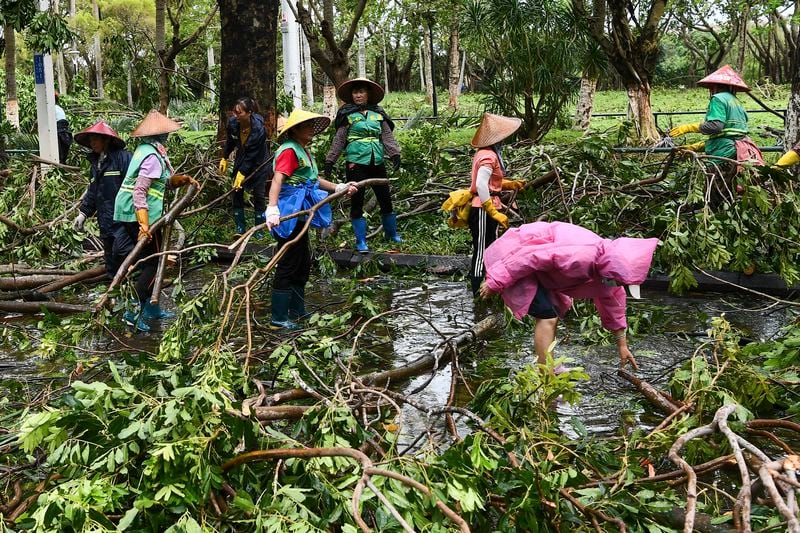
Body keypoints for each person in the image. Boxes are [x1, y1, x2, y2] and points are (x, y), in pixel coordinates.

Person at [479, 221, 659, 372]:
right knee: (547, 316)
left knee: (553, 313)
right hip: (516, 255)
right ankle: (545, 374)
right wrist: (495, 281)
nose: (619, 285)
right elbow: (530, 257)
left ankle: (550, 366)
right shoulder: (580, 255)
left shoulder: (610, 273)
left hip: (543, 273)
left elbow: (614, 305)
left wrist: (622, 345)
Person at [266, 109, 357, 329]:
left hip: (303, 209)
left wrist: (338, 187)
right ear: (295, 130)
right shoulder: (289, 151)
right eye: (307, 126)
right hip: (290, 210)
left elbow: (313, 180)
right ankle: (278, 317)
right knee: (289, 261)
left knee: (302, 261)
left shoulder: (303, 151)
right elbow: (277, 180)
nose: (311, 130)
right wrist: (272, 208)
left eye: (311, 126)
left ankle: (297, 310)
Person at [112, 111, 199, 332]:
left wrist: (183, 180)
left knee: (151, 261)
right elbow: (139, 192)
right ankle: (135, 311)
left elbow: (162, 184)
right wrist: (144, 225)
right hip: (139, 215)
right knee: (153, 264)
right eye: (166, 134)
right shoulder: (151, 156)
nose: (168, 137)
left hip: (134, 213)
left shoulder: (148, 151)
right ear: (160, 136)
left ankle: (150, 309)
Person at [324, 77, 402, 253]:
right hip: (356, 162)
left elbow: (387, 136)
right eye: (355, 92)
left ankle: (391, 234)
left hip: (377, 161)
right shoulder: (347, 115)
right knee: (357, 201)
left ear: (368, 94)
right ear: (351, 95)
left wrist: (395, 154)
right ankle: (361, 241)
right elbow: (339, 140)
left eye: (361, 92)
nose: (358, 95)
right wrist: (330, 160)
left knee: (385, 198)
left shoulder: (378, 114)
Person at [669, 65, 763, 203]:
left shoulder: (718, 99)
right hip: (738, 152)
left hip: (723, 157)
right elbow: (729, 135)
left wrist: (689, 127)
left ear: (713, 86)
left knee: (715, 196)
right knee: (730, 193)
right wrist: (694, 147)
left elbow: (716, 127)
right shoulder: (736, 102)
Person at [467, 113, 526, 295]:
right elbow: (480, 185)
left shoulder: (488, 153)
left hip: (488, 204)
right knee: (482, 249)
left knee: (491, 247)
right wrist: (492, 211)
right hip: (482, 208)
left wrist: (509, 183)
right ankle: (477, 290)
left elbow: (491, 181)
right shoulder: (488, 156)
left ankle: (489, 286)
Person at [72, 121, 132, 278]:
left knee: (123, 252)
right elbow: (93, 191)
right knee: (110, 259)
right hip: (105, 220)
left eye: (95, 139)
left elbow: (134, 187)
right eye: (90, 140)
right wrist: (83, 214)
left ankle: (136, 288)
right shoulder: (96, 163)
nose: (92, 143)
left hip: (123, 219)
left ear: (106, 140)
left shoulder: (123, 158)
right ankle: (114, 294)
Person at [220, 97, 270, 237]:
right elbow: (230, 141)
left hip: (259, 163)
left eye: (239, 113)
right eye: (234, 112)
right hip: (242, 159)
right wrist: (225, 157)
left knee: (259, 195)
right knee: (237, 191)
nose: (235, 115)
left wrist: (242, 173)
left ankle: (258, 229)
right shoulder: (233, 123)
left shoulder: (259, 129)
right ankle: (240, 228)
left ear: (249, 113)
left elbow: (252, 155)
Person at [54, 92, 73, 164]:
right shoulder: (60, 109)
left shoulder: (51, 109)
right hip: (65, 132)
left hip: (59, 131)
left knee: (59, 154)